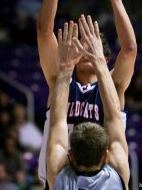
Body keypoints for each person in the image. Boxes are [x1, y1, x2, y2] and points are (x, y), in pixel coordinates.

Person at [37, 0, 137, 187]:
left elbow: (130, 49)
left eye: (94, 45)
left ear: (105, 57)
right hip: (60, 175)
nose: (87, 49)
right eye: (82, 43)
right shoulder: (59, 79)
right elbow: (43, 32)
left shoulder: (113, 87)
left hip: (103, 176)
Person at [47, 16, 129, 189]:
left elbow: (57, 122)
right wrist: (98, 60)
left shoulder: (58, 177)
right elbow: (114, 118)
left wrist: (65, 67)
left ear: (69, 156)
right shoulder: (117, 174)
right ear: (106, 156)